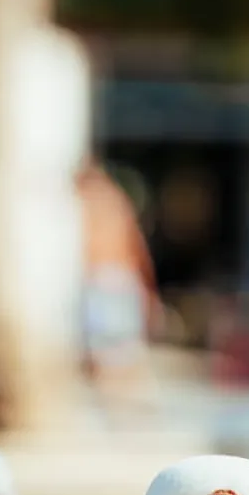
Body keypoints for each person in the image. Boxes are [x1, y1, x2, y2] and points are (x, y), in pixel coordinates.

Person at [76, 162, 160, 404]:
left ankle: (124, 407)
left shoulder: (101, 206)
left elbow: (132, 246)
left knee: (113, 355)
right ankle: (124, 407)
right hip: (115, 281)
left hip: (108, 282)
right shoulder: (114, 204)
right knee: (115, 354)